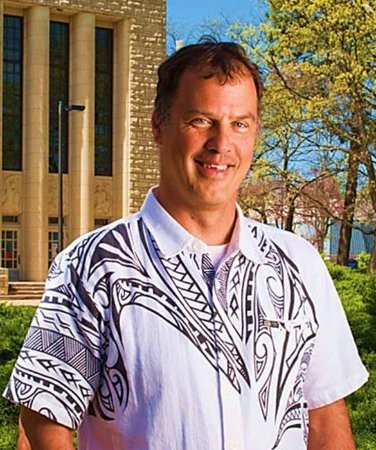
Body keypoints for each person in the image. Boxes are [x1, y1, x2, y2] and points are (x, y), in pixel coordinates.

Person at [4, 40, 368, 450]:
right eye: (201, 120)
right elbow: (41, 422)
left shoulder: (300, 264)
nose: (221, 143)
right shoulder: (91, 266)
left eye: (240, 124)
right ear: (158, 127)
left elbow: (325, 416)